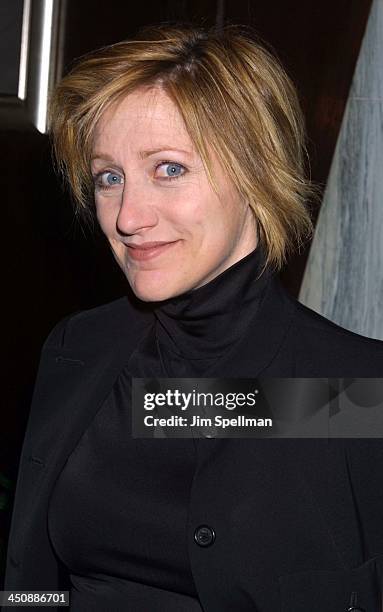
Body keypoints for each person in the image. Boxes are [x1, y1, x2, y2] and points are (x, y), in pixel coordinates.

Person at [3, 23, 383, 612]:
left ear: (257, 172)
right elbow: (33, 582)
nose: (128, 216)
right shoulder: (79, 348)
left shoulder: (355, 393)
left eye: (169, 169)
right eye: (110, 177)